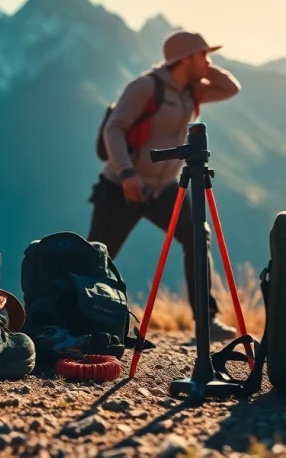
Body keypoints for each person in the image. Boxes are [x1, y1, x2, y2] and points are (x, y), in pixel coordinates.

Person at [88, 29, 242, 341]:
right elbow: (114, 128)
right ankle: (71, 316)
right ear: (186, 59)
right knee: (95, 256)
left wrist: (204, 66)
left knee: (198, 235)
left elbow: (231, 88)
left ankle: (206, 321)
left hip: (165, 188)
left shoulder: (191, 91)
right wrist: (127, 174)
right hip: (121, 186)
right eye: (204, 55)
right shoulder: (145, 86)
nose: (209, 61)